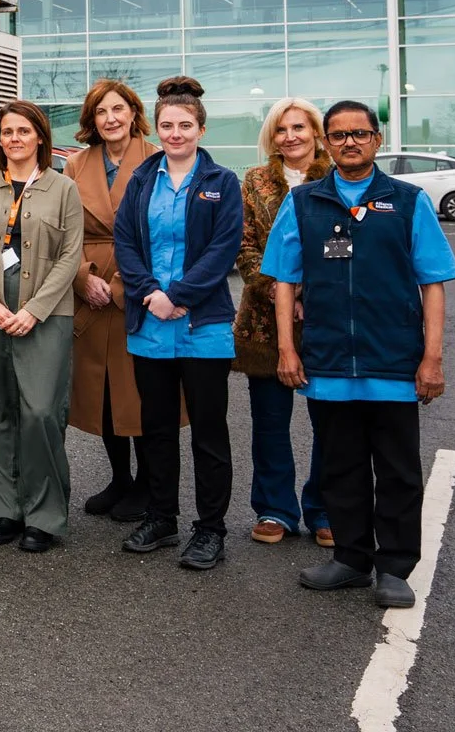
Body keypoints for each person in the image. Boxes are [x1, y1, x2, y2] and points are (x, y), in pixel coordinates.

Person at [266, 101, 455, 609]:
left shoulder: (409, 201)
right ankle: (350, 559)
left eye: (359, 133)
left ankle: (394, 568)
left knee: (397, 470)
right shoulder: (303, 202)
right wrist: (287, 349)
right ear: (326, 143)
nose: (349, 142)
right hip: (327, 362)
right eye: (338, 135)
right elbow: (283, 282)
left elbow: (433, 283)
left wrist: (431, 358)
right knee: (340, 467)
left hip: (393, 361)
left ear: (376, 140)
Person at [113, 76, 244, 571]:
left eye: (184, 125)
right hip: (150, 325)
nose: (175, 133)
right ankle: (161, 516)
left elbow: (223, 249)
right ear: (157, 127)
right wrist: (151, 294)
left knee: (209, 433)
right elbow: (126, 240)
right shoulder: (143, 178)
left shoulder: (222, 182)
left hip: (202, 326)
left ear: (201, 129)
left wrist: (179, 296)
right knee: (158, 429)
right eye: (166, 124)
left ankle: (210, 529)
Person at [0, 99, 85, 552]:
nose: (14, 139)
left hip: (45, 315)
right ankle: (1, 508)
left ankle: (44, 514)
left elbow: (70, 256)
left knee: (41, 411)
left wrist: (34, 310)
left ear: (40, 138)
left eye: (23, 131)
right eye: (7, 132)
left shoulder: (63, 188)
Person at [234, 97, 333, 548]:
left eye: (299, 127)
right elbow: (245, 245)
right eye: (280, 129)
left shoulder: (339, 178)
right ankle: (275, 509)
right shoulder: (254, 181)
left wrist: (310, 296)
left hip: (326, 317)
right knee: (270, 421)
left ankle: (326, 510)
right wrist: (280, 293)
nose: (290, 136)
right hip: (265, 319)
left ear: (316, 132)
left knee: (331, 421)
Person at [63, 79, 158, 523]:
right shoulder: (75, 165)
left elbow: (163, 233)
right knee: (100, 390)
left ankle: (148, 483)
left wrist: (124, 285)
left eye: (118, 109)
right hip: (89, 288)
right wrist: (81, 277)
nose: (111, 118)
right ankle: (120, 477)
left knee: (137, 392)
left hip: (141, 287)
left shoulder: (159, 159)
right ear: (91, 120)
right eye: (101, 112)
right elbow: (63, 230)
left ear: (133, 113)